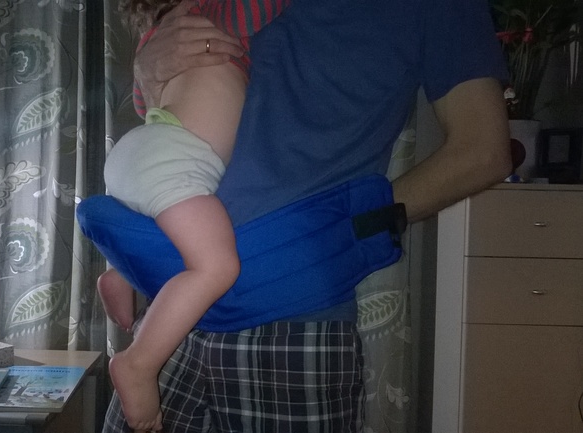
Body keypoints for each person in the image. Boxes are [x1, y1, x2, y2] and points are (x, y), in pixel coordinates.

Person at [97, 0, 514, 431]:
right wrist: (146, 67)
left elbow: (483, 150)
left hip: (294, 322)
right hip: (172, 306)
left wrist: (350, 223)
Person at [99, 0, 289, 430]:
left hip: (140, 148)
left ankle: (117, 275)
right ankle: (139, 363)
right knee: (216, 266)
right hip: (177, 158)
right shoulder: (215, 12)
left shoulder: (160, 34)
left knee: (150, 224)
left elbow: (142, 101)